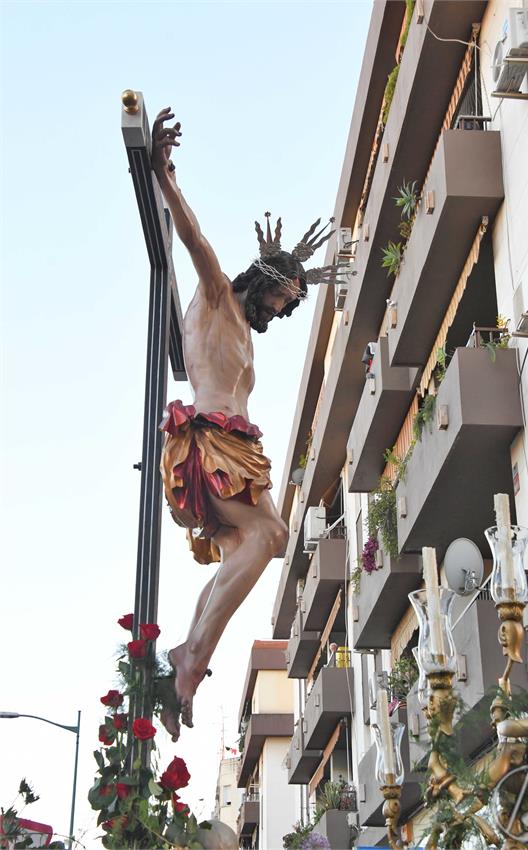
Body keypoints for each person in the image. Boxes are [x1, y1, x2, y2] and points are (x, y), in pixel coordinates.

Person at [151, 106, 347, 738]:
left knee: (250, 545)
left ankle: (189, 649)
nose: (280, 309)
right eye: (281, 297)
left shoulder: (247, 336)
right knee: (269, 538)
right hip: (206, 441)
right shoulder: (214, 297)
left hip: (234, 449)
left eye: (288, 305)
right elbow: (196, 240)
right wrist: (164, 173)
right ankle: (190, 657)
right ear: (263, 280)